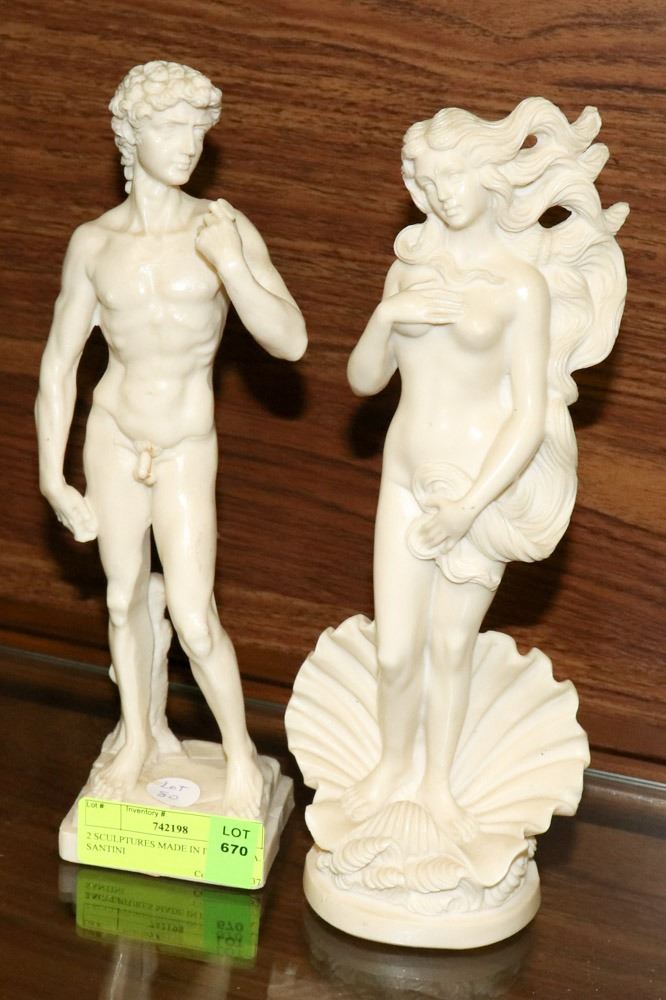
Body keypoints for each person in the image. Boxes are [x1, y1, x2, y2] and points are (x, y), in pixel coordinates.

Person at [342, 98, 627, 840]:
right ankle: (390, 767)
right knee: (396, 651)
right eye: (427, 182)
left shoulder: (519, 286)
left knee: (449, 648)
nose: (440, 195)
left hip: (477, 489)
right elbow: (364, 380)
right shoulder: (408, 270)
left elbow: (529, 413)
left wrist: (470, 504)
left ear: (488, 178)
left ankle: (438, 786)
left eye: (452, 178)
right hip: (404, 477)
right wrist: (388, 317)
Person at [35, 61, 307, 816]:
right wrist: (54, 478)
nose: (187, 143)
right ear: (132, 135)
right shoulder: (94, 243)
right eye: (169, 127)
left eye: (196, 128)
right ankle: (136, 739)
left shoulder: (220, 228)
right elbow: (58, 366)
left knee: (192, 615)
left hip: (185, 444)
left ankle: (241, 754)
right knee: (124, 599)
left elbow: (289, 340)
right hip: (114, 438)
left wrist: (233, 268)